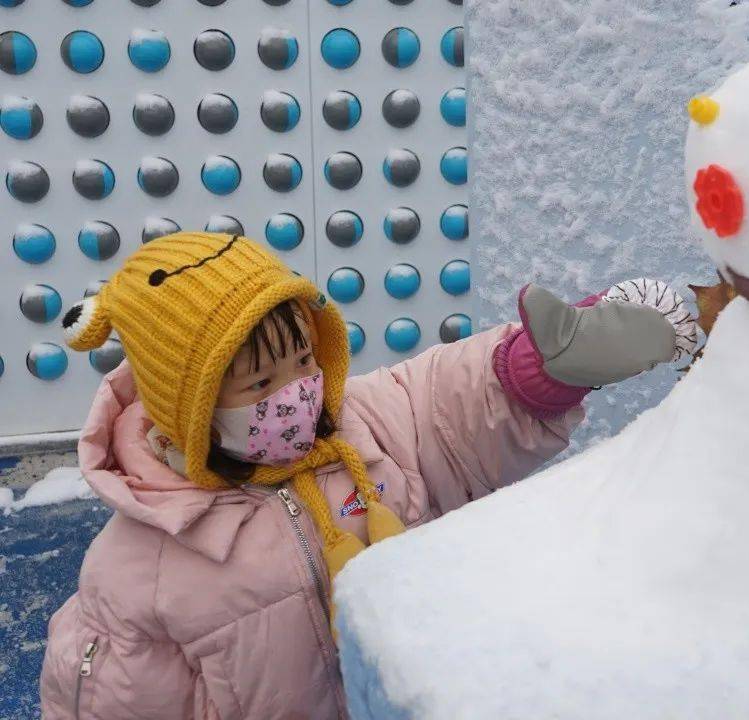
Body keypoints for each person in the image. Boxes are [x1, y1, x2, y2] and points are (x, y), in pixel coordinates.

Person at [38, 232, 693, 719]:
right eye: (262, 382)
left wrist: (543, 369)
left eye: (303, 359)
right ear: (189, 408)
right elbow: (108, 699)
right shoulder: (140, 568)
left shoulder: (369, 422)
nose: (296, 390)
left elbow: (451, 399)